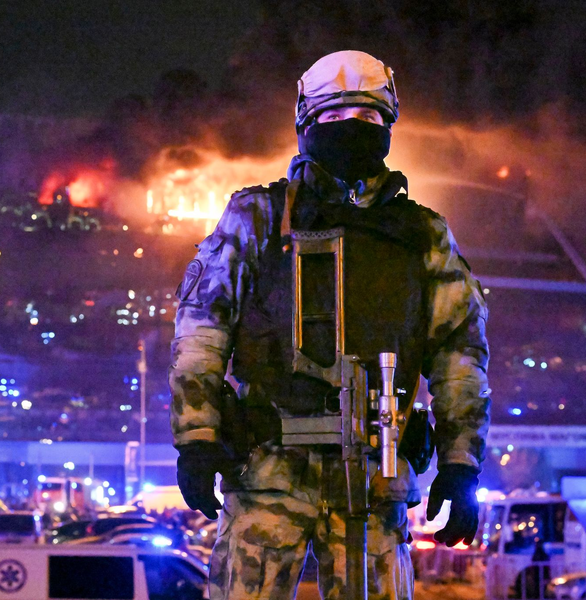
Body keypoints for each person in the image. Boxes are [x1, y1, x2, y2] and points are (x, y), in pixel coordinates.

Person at [169, 50, 490, 600]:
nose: (351, 128)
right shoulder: (256, 218)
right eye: (334, 117)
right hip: (266, 470)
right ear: (305, 125)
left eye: (367, 117)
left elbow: (460, 354)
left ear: (388, 127)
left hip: (375, 478)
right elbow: (201, 331)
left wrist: (461, 465)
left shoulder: (423, 235)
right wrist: (196, 438)